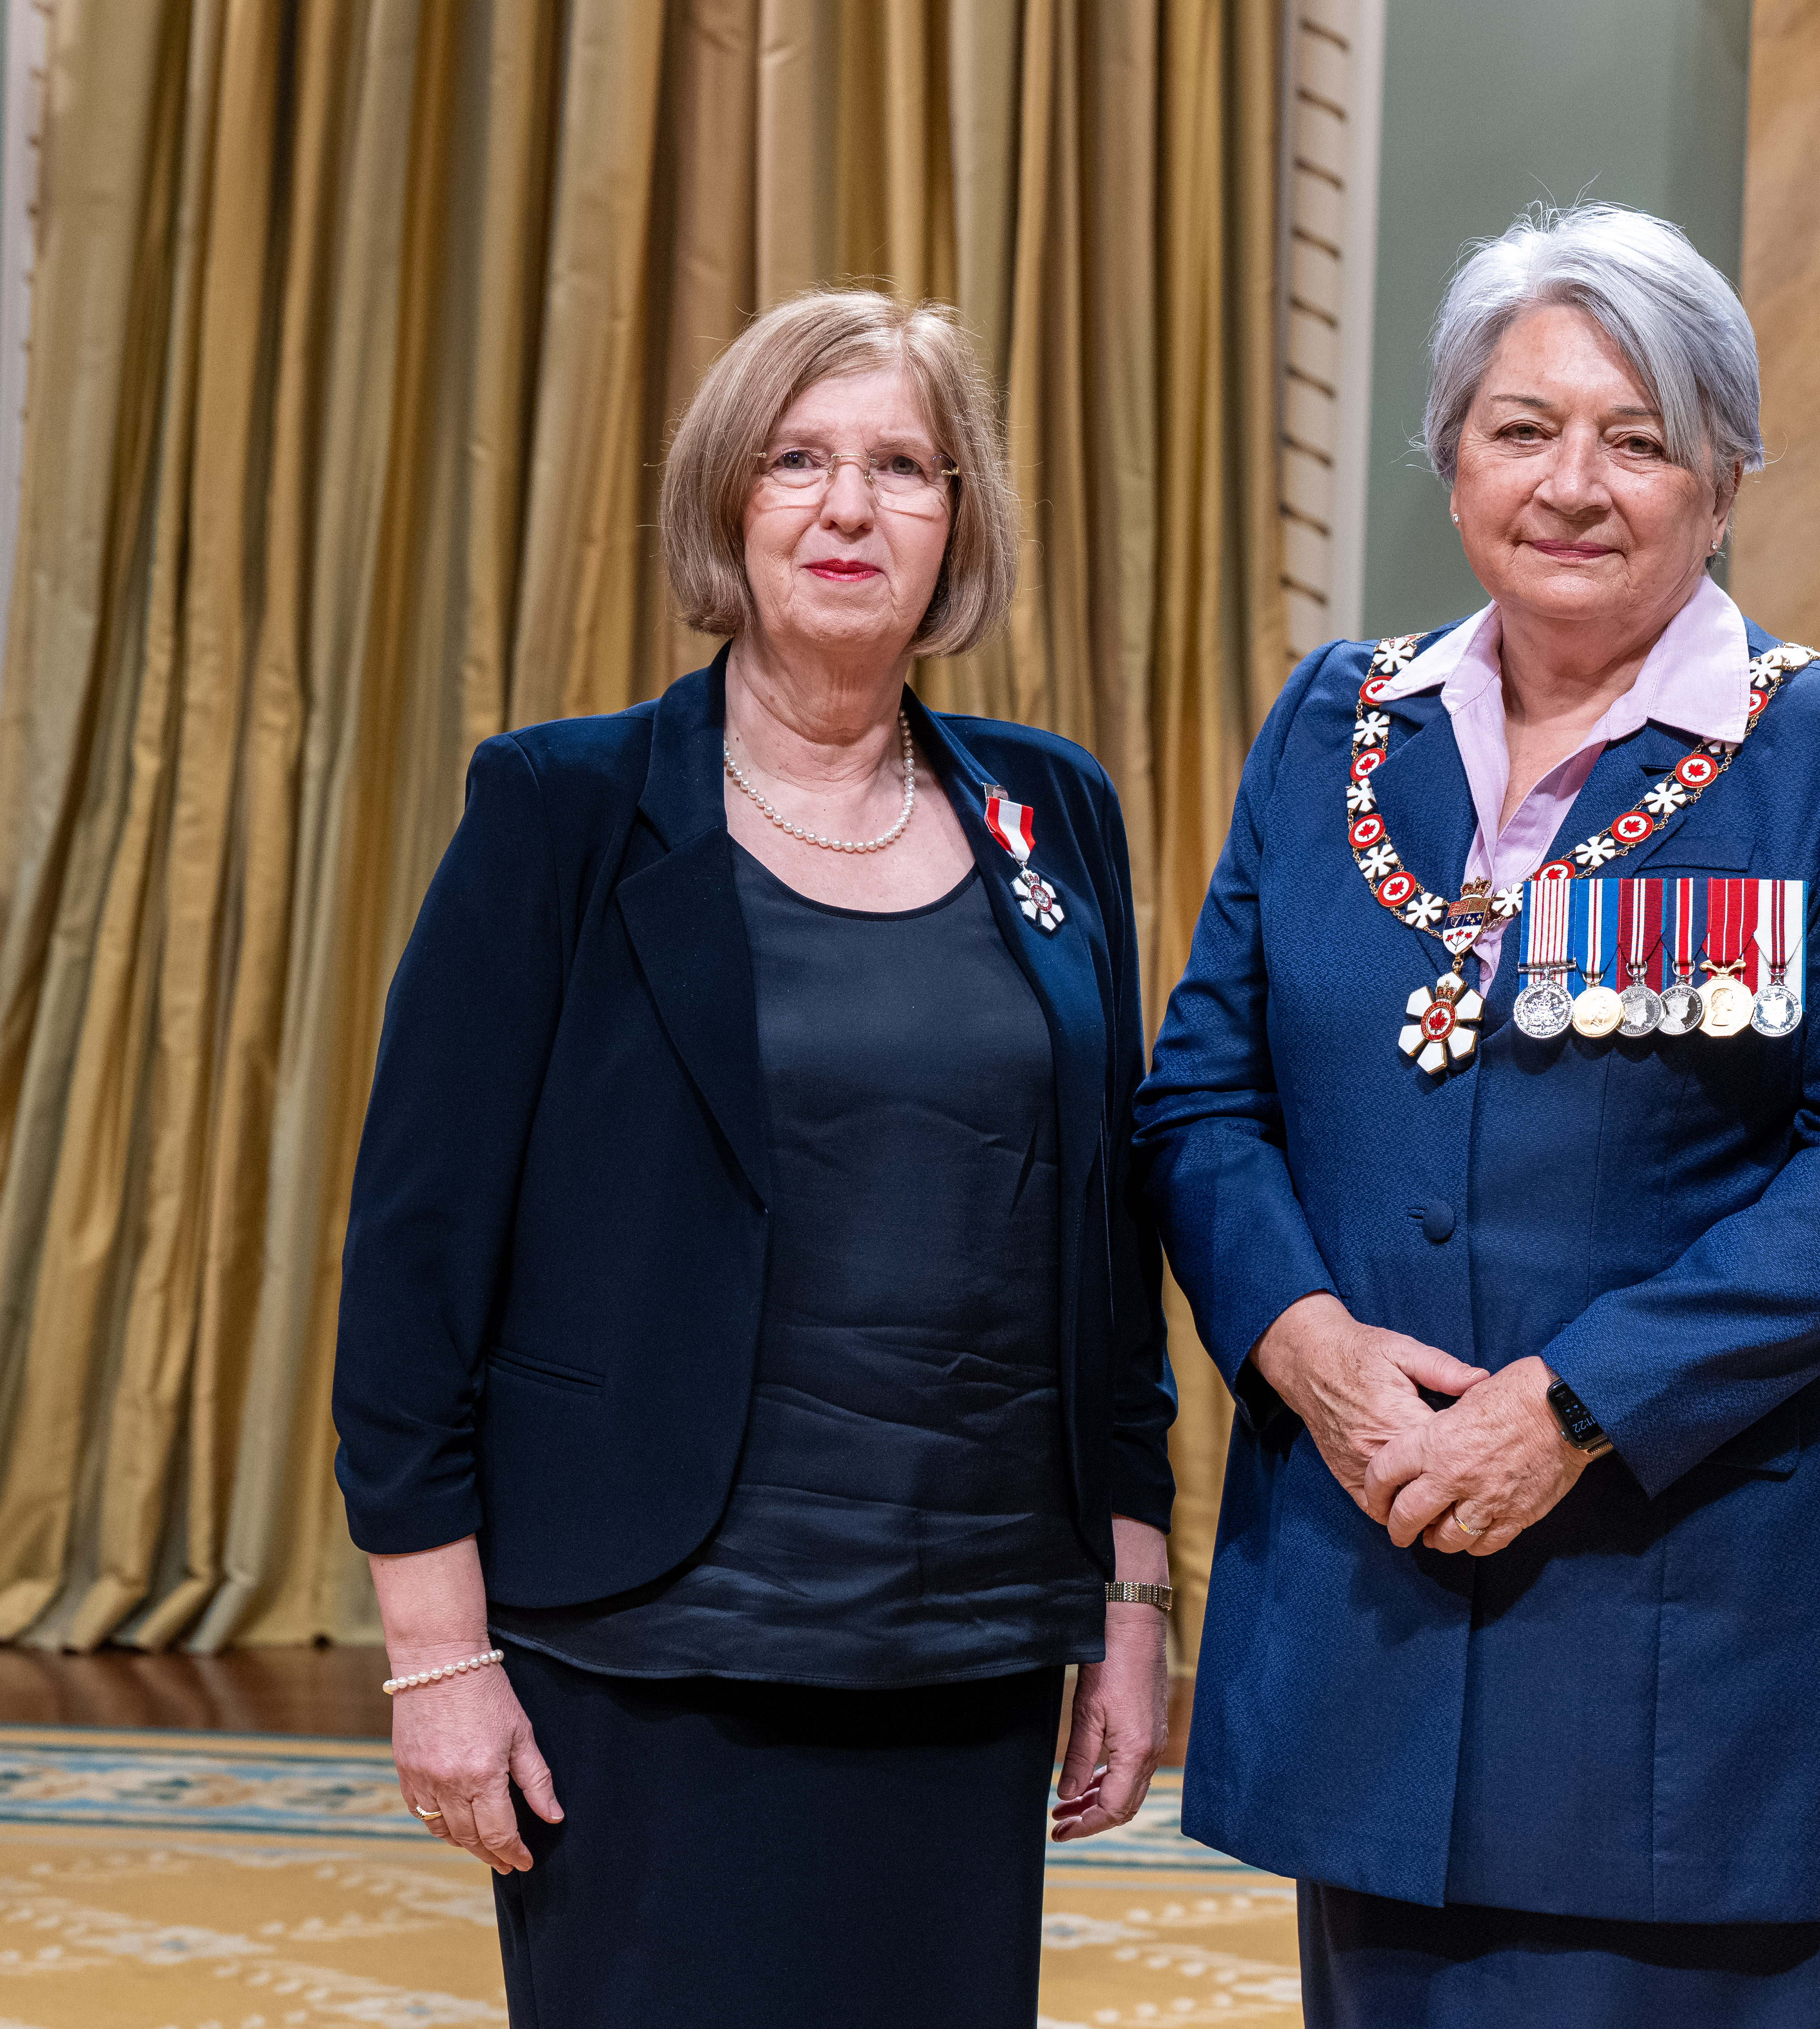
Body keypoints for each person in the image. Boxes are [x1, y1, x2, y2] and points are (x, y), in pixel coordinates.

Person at [1135, 203, 1820, 2025]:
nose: (1573, 483)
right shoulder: (1328, 728)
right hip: (1380, 1598)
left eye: (1638, 435)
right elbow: (1202, 1096)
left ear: (1724, 476)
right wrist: (1303, 1353)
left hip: (1703, 1645)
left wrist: (1570, 1403)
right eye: (1522, 429)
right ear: (1449, 459)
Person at [332, 288, 1175, 2029]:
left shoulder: (1050, 813)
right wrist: (436, 1654)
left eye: (900, 467)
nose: (847, 508)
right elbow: (417, 1245)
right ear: (728, 503)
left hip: (966, 1638)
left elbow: (1104, 1234)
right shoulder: (562, 810)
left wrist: (1133, 1594)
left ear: (962, 522)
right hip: (643, 1645)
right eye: (797, 461)